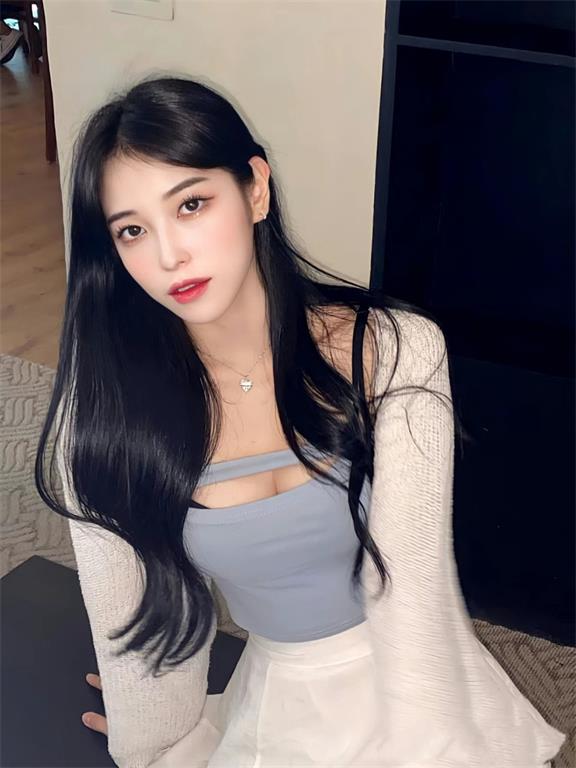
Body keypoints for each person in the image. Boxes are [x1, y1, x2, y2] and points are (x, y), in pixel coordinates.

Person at [36, 74, 566, 767]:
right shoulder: (106, 411)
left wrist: (435, 747)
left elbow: (415, 588)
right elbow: (134, 619)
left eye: (191, 204)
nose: (169, 256)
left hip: (420, 676)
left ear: (255, 189)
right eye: (132, 230)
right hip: (285, 697)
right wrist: (152, 735)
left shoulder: (391, 349)